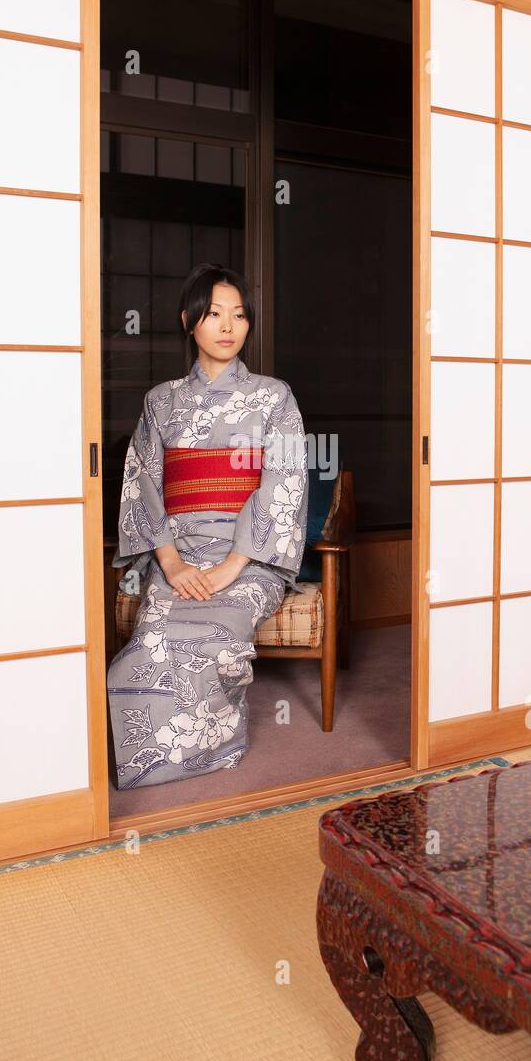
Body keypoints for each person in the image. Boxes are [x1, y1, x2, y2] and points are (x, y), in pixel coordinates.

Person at [107, 262, 309, 789]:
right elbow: (142, 482)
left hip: (249, 559)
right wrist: (170, 563)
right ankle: (153, 761)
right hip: (177, 553)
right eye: (215, 314)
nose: (228, 326)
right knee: (147, 647)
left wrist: (232, 566)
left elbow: (284, 480)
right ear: (189, 321)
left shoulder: (273, 396)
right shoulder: (161, 401)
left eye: (238, 315)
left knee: (218, 636)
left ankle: (210, 749)